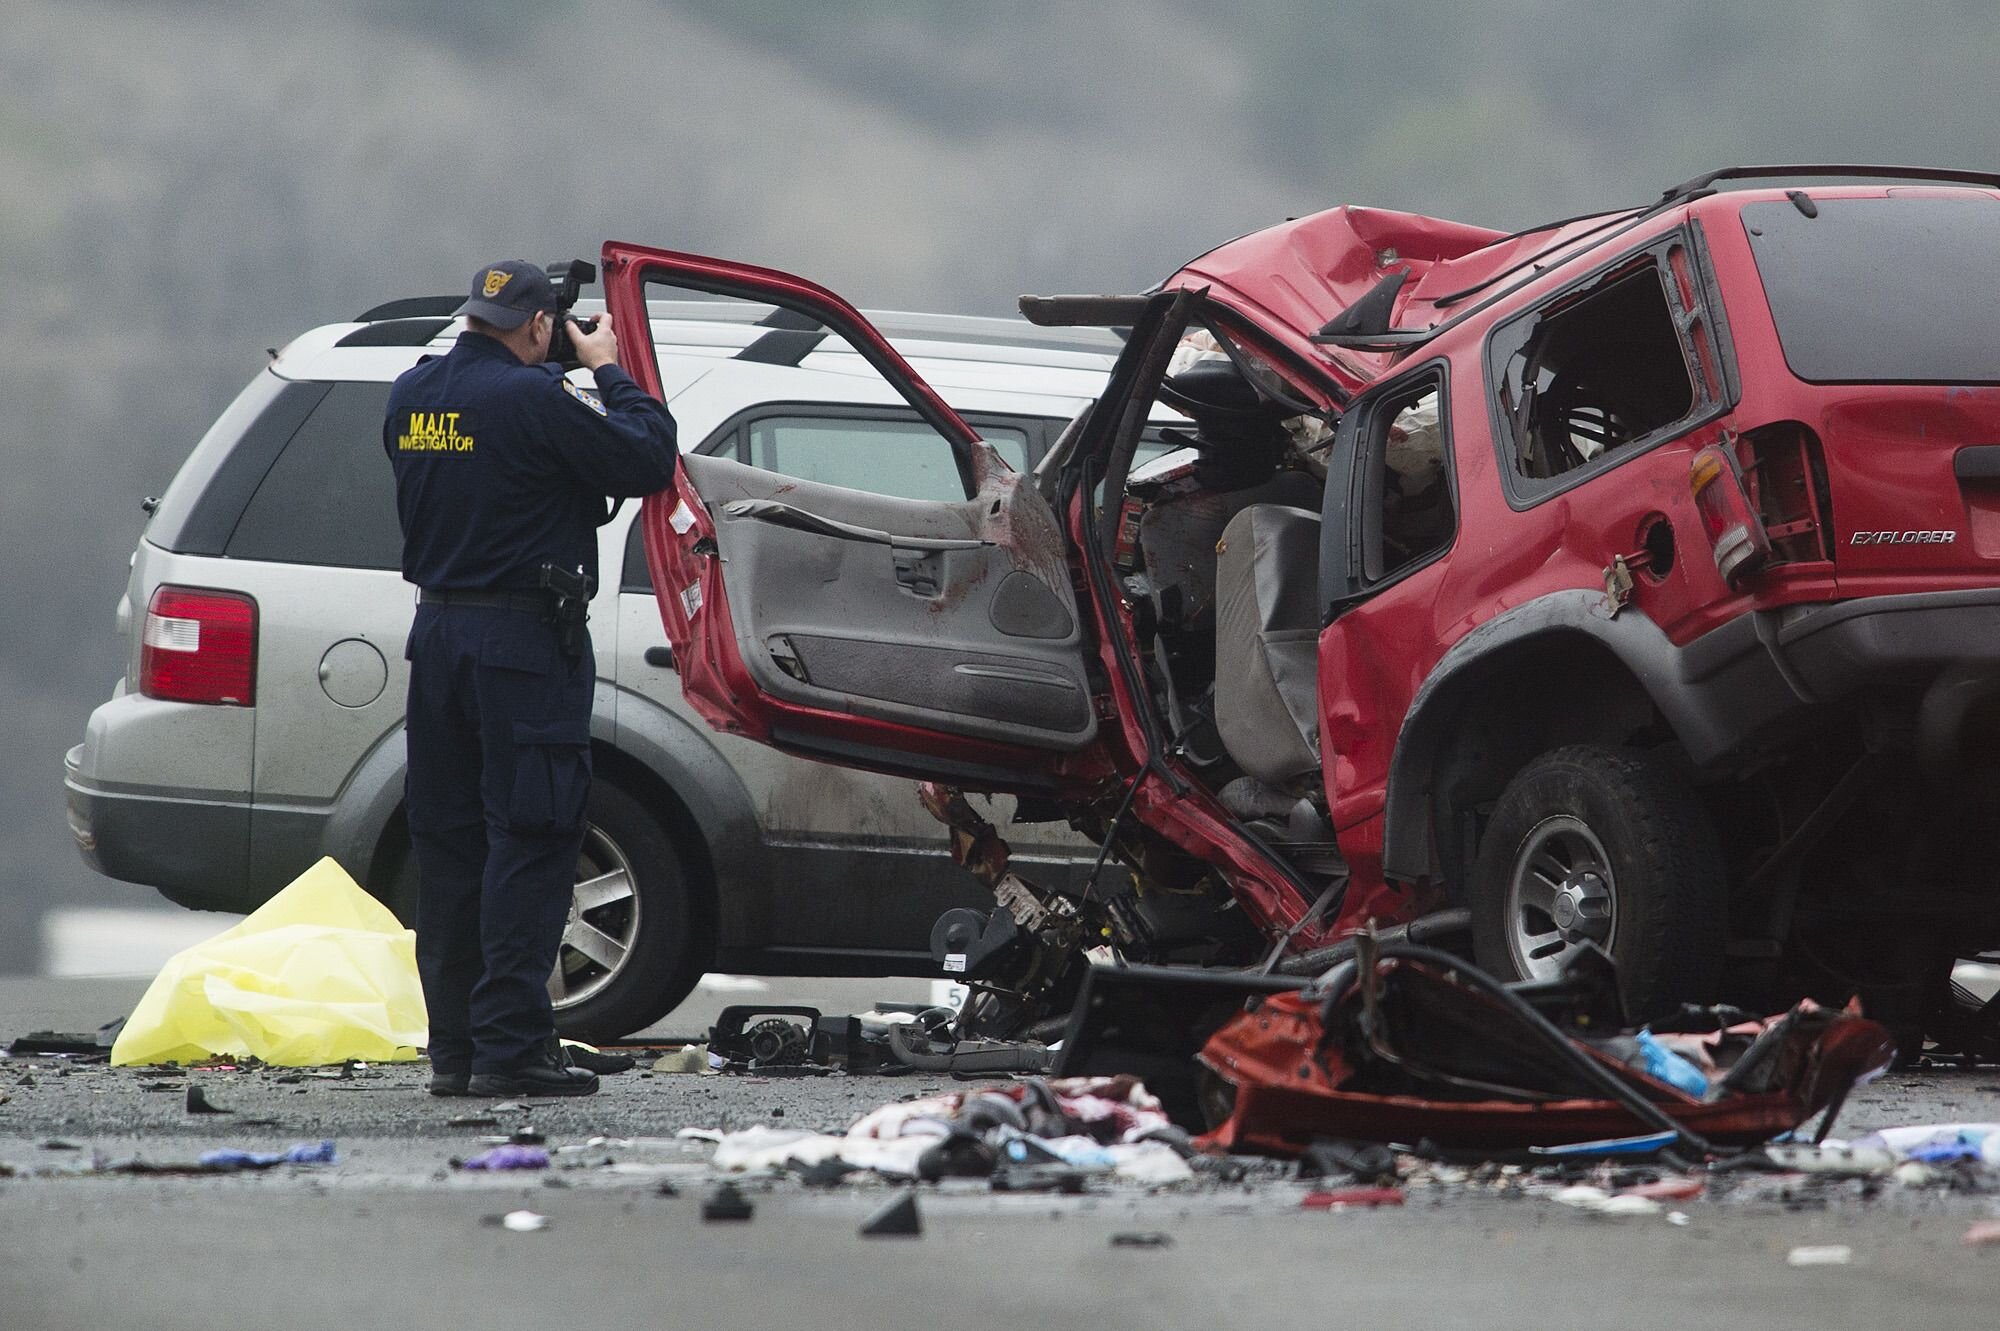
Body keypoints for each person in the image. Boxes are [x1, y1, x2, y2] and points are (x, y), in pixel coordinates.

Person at [383, 260, 679, 1097]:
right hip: (521, 644)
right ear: (540, 326)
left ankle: (456, 1051)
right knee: (533, 836)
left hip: (437, 638)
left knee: (450, 848)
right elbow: (649, 455)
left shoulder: (411, 395)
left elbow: (485, 462)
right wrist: (607, 367)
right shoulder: (536, 400)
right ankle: (512, 1048)